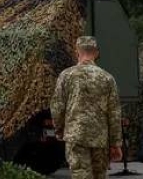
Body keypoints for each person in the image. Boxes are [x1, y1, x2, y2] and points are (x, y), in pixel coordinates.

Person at [50, 36, 122, 179]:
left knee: (81, 175)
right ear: (96, 53)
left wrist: (59, 130)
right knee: (99, 175)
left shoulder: (66, 76)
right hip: (100, 139)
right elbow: (114, 113)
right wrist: (115, 143)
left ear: (77, 52)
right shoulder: (107, 78)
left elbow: (57, 107)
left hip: (76, 137)